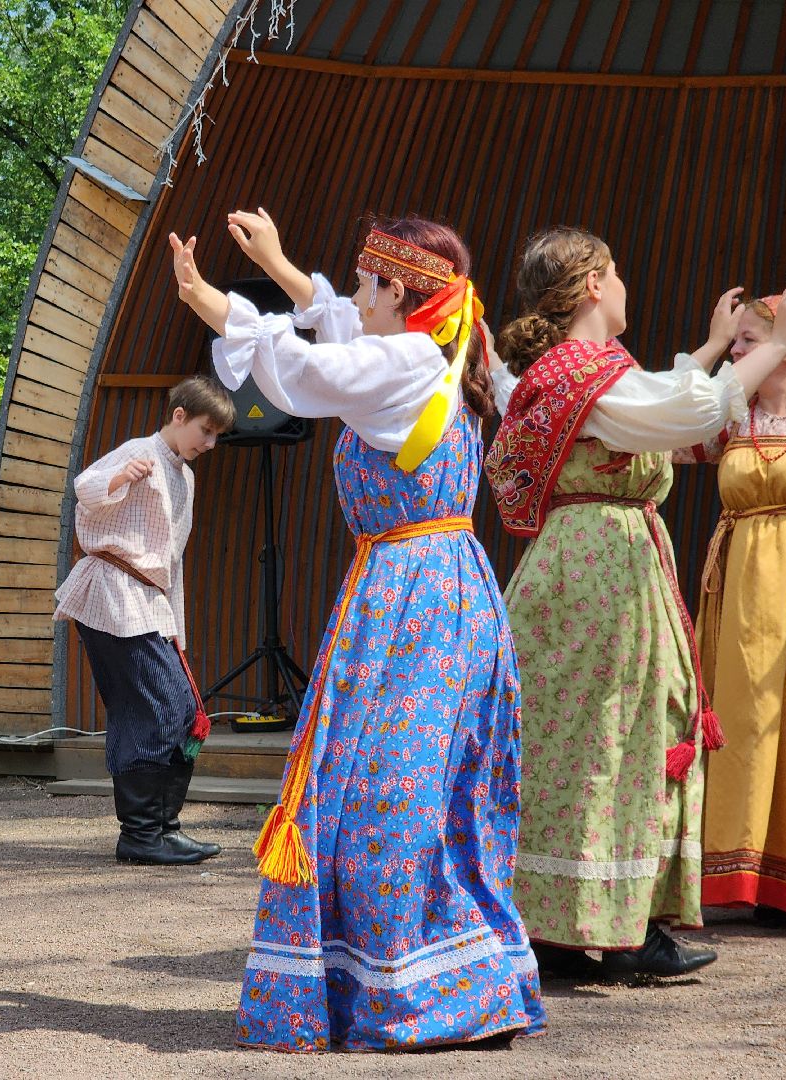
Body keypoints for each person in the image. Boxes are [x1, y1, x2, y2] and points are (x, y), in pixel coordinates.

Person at [171, 209, 546, 1051]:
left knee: (385, 792)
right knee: (430, 785)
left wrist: (216, 304)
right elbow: (344, 332)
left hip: (407, 599)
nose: (356, 297)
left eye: (367, 282)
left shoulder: (412, 358)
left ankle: (413, 991)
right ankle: (456, 982)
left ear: (398, 292)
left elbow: (309, 368)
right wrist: (286, 267)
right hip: (447, 590)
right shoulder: (452, 350)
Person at [484, 225, 786, 980]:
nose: (629, 286)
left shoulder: (572, 372)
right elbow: (687, 417)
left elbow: (655, 402)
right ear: (596, 283)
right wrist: (779, 340)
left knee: (583, 743)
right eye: (621, 272)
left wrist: (711, 347)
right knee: (625, 739)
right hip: (605, 575)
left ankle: (569, 924)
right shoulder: (588, 374)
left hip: (579, 569)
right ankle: (620, 927)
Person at [54, 375, 235, 866]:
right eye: (205, 430)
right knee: (155, 708)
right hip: (110, 595)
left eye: (217, 435)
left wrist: (176, 630)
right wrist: (118, 477)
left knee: (185, 714)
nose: (210, 443)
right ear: (179, 416)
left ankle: (162, 828)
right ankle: (139, 834)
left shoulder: (185, 475)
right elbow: (84, 489)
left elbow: (171, 561)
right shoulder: (140, 450)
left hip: (149, 603)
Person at [690, 296, 786, 928]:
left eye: (747, 341)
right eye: (737, 343)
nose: (739, 353)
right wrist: (711, 352)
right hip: (745, 594)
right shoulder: (729, 418)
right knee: (747, 719)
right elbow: (657, 432)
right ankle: (748, 875)